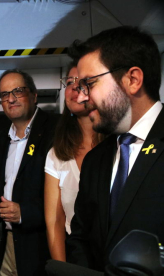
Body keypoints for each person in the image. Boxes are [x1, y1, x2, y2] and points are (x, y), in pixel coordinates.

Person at [66, 26, 163, 272]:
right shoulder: (95, 160)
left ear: (132, 80)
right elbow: (80, 236)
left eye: (89, 84)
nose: (80, 97)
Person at [0, 69, 59, 276]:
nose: (11, 99)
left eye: (18, 91)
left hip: (44, 245)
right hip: (10, 244)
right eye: (5, 94)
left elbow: (69, 194)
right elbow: (0, 184)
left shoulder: (56, 131)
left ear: (34, 95)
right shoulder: (4, 139)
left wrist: (25, 213)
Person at [44, 62, 103, 261]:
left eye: (84, 81)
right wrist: (62, 269)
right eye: (70, 82)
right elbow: (55, 220)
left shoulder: (118, 144)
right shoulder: (56, 154)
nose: (75, 86)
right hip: (75, 255)